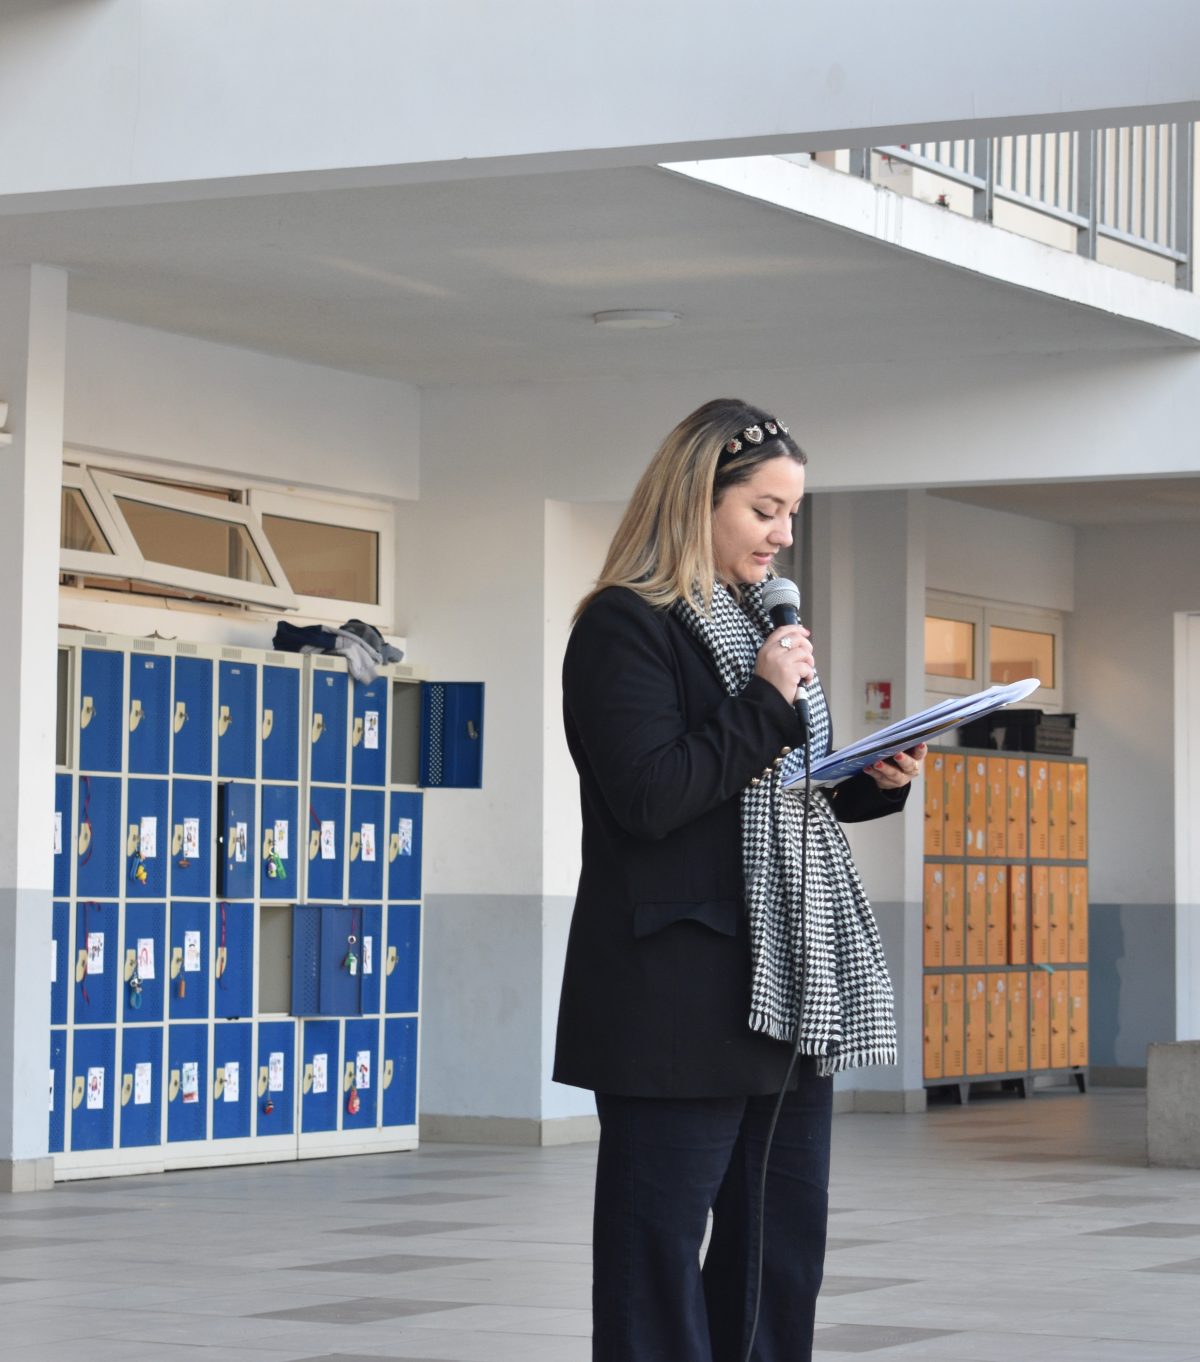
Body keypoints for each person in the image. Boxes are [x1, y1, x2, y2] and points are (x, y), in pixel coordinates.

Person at [553, 398, 925, 1362]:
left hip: (788, 988)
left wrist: (869, 782)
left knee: (779, 1250)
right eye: (765, 510)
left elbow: (780, 795)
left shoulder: (751, 621)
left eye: (792, 514)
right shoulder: (623, 628)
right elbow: (652, 794)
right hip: (675, 1000)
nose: (783, 535)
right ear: (695, 500)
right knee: (658, 1256)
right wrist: (766, 700)